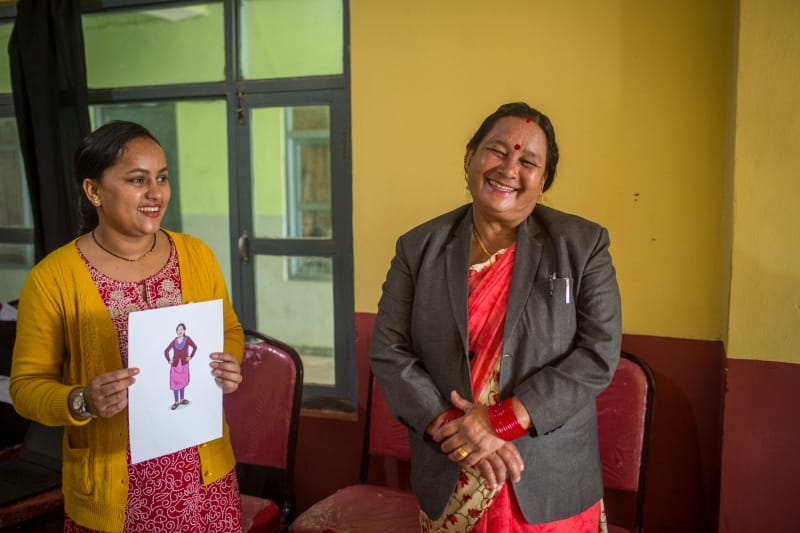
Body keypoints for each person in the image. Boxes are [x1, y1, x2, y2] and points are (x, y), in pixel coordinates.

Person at [370, 102, 621, 532]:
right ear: (469, 157)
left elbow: (597, 355)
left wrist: (501, 422)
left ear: (543, 182)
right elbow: (389, 351)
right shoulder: (419, 248)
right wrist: (457, 432)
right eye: (496, 151)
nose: (509, 168)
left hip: (547, 481)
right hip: (452, 470)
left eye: (528, 161)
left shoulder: (582, 245)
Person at [10, 121, 245, 532]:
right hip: (114, 490)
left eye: (162, 178)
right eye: (138, 180)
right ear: (94, 191)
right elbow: (26, 387)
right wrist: (82, 400)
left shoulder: (196, 255)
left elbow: (229, 330)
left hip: (202, 480)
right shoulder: (54, 278)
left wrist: (229, 363)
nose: (156, 193)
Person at [164, 322, 198, 410]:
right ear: (176, 331)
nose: (180, 331)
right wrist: (169, 360)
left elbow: (195, 347)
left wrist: (190, 356)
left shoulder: (187, 339)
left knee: (182, 382)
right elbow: (166, 351)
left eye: (181, 329)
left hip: (184, 365)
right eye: (178, 330)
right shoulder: (174, 341)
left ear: (184, 330)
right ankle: (176, 402)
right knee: (175, 383)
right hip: (175, 366)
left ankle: (182, 399)